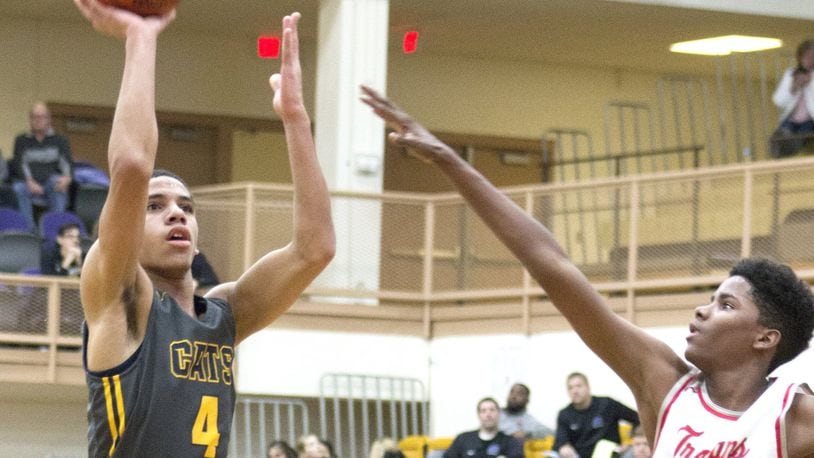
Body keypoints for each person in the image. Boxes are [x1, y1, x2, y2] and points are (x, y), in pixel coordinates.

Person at [359, 86, 814, 456]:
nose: (701, 310)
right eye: (712, 298)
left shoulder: (791, 416)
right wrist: (449, 160)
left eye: (725, 305)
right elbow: (552, 265)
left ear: (765, 337)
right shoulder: (662, 381)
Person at [74, 1, 334, 456]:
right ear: (126, 226)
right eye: (155, 206)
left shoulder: (224, 315)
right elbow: (133, 164)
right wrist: (141, 37)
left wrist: (296, 120)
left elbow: (316, 249)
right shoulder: (121, 299)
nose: (177, 214)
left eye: (186, 207)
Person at [10, 101, 73, 230]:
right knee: (18, 188)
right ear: (30, 119)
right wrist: (29, 181)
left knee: (58, 184)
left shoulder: (60, 140)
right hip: (28, 182)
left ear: (48, 119)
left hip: (50, 181)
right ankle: (29, 230)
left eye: (41, 117)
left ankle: (56, 229)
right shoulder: (21, 140)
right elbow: (19, 163)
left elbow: (66, 162)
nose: (37, 120)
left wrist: (67, 178)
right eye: (34, 117)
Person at [553, 373, 639, 458]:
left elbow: (637, 418)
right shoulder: (564, 414)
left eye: (578, 386)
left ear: (588, 387)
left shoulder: (607, 404)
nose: (575, 391)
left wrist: (628, 442)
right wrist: (563, 447)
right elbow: (560, 441)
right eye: (570, 388)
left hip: (611, 454)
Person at [770, 39, 814, 158]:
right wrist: (794, 87)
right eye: (807, 56)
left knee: (799, 138)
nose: (810, 60)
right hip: (791, 120)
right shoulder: (791, 74)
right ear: (800, 58)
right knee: (776, 139)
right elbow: (778, 101)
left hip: (810, 121)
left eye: (812, 56)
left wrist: (809, 82)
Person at [444, 397, 523, 458]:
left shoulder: (510, 442)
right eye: (483, 411)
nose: (488, 414)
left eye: (492, 410)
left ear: (499, 414)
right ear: (478, 415)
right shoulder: (463, 439)